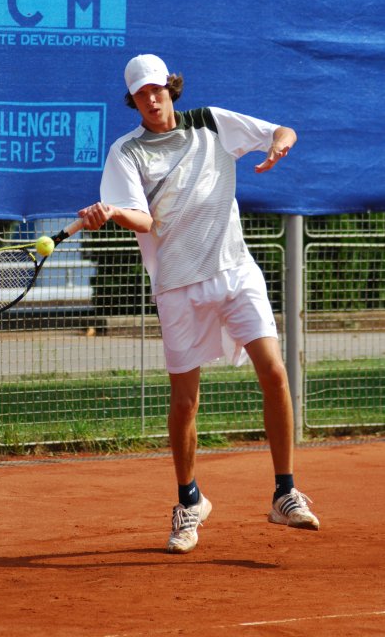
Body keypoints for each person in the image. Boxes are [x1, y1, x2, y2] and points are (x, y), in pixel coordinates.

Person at [79, 53, 320, 554]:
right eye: (141, 94)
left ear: (170, 87)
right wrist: (114, 212)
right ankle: (190, 501)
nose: (151, 99)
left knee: (274, 373)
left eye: (157, 89)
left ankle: (284, 492)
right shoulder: (126, 152)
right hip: (177, 285)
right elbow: (145, 221)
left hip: (234, 270)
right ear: (133, 100)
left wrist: (279, 144)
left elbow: (283, 130)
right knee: (185, 401)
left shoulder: (211, 122)